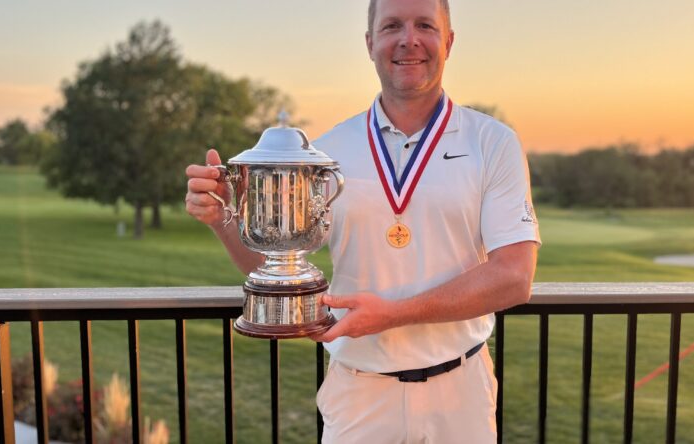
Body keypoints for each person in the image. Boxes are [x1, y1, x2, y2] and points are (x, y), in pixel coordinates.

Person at [185, 0, 540, 441]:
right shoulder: (325, 152)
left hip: (460, 392)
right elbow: (278, 266)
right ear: (370, 43)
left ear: (448, 41)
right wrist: (223, 217)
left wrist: (393, 314)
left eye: (425, 25)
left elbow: (513, 277)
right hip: (359, 392)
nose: (408, 39)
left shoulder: (492, 142)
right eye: (391, 26)